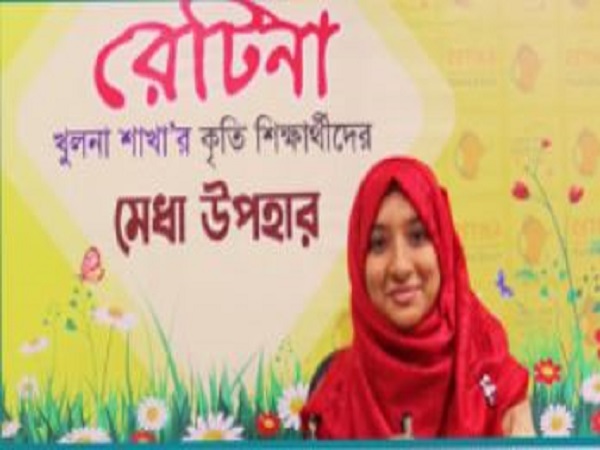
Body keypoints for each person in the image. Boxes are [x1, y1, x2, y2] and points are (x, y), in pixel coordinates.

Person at [301, 156, 534, 439]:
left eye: (418, 236)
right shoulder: (332, 398)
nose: (400, 266)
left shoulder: (497, 386)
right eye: (378, 243)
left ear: (443, 248)